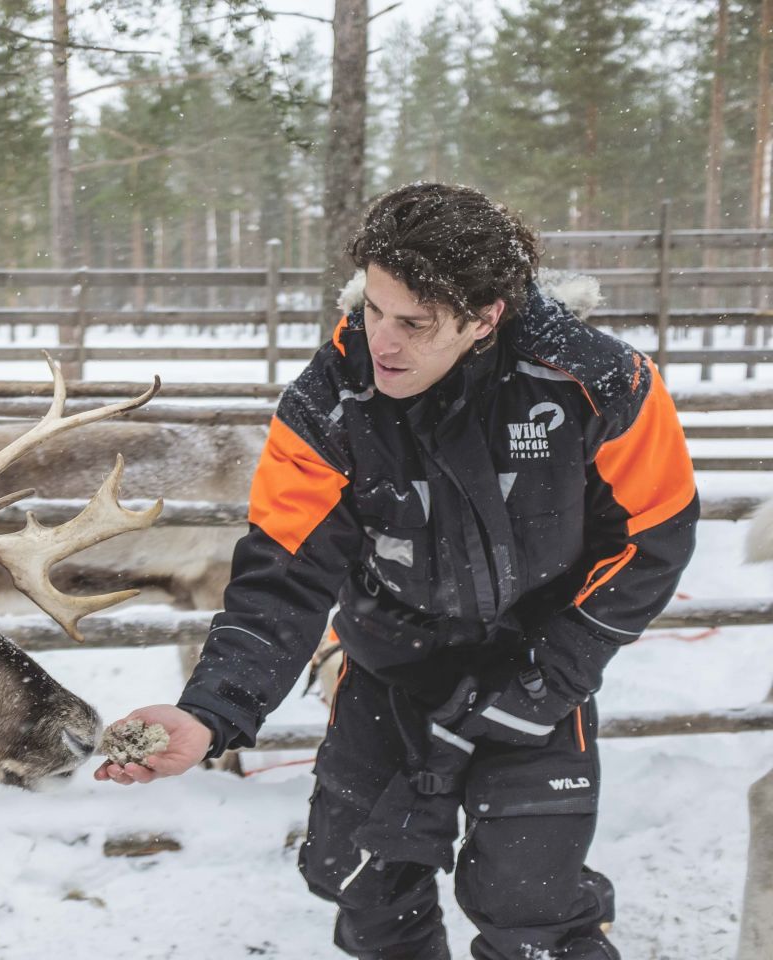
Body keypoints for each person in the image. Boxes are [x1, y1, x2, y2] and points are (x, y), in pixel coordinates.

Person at [95, 182, 698, 960]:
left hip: (537, 675)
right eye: (373, 309)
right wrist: (212, 712)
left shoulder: (602, 384)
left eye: (413, 323)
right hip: (386, 672)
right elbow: (284, 574)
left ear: (486, 317)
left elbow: (655, 538)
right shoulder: (328, 404)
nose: (382, 340)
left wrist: (555, 676)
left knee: (529, 901)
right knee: (362, 886)